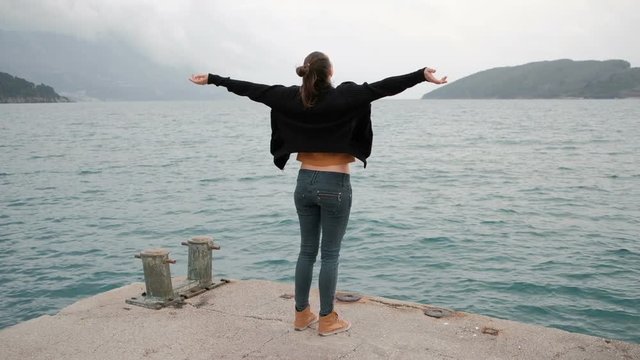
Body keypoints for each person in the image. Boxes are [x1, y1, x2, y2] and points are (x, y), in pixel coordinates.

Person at [190, 51, 447, 336]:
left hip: (303, 183)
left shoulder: (291, 98)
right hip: (334, 185)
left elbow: (253, 89)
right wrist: (421, 74)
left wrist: (214, 79)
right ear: (330, 72)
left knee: (307, 252)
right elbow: (384, 87)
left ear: (306, 71)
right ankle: (327, 319)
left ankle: (301, 316)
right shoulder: (346, 97)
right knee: (330, 255)